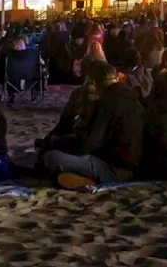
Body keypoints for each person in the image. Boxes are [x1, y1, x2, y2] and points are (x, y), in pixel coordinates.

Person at [43, 60, 143, 190]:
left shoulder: (107, 101)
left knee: (52, 157)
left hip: (115, 168)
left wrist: (57, 142)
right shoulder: (131, 97)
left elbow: (88, 143)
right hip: (130, 164)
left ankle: (89, 179)